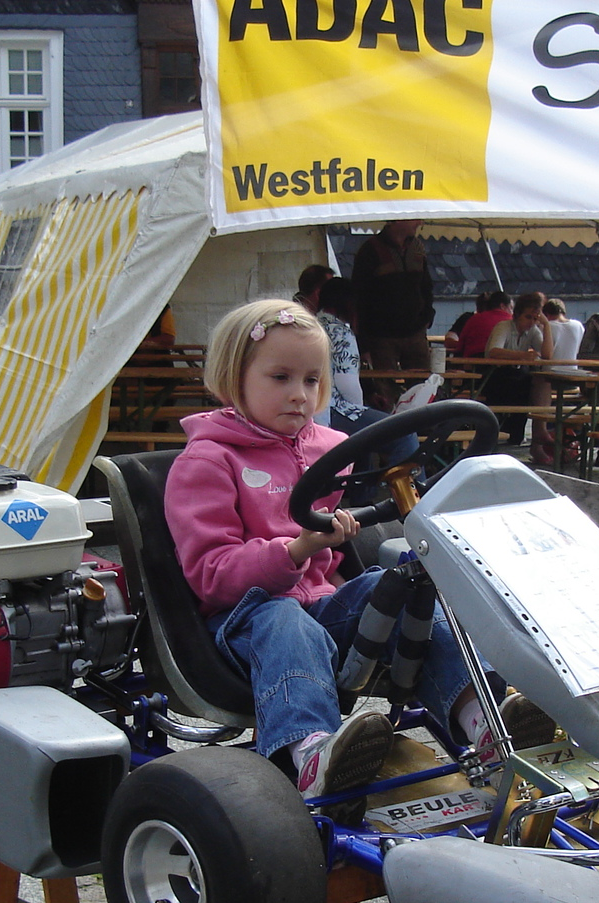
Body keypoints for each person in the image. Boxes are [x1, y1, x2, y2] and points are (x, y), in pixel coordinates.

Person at [163, 299, 552, 812]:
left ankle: (482, 718)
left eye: (311, 380)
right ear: (235, 378)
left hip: (320, 608)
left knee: (403, 583)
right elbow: (211, 576)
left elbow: (340, 564)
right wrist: (296, 550)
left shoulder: (328, 448)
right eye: (280, 378)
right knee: (285, 618)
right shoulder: (207, 461)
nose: (300, 395)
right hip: (243, 621)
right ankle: (311, 752)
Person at [315, 278, 419, 489]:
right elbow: (348, 385)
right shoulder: (341, 332)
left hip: (315, 408)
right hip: (334, 409)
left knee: (363, 441)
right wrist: (362, 410)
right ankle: (410, 497)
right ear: (349, 303)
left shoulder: (313, 324)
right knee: (404, 434)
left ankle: (363, 496)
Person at [352, 219, 434, 369]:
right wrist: (364, 343)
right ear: (397, 219)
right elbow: (360, 297)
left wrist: (427, 315)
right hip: (382, 336)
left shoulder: (417, 247)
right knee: (385, 381)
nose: (420, 223)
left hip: (415, 331)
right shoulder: (370, 250)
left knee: (423, 381)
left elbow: (426, 286)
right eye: (414, 218)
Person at [484, 293, 549, 447]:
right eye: (528, 317)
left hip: (517, 376)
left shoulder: (533, 330)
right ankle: (531, 434)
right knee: (523, 385)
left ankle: (530, 433)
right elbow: (494, 351)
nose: (531, 322)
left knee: (537, 383)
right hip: (495, 374)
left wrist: (547, 326)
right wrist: (522, 355)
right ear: (518, 314)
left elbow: (547, 355)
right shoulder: (504, 326)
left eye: (535, 318)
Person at [533, 298, 587, 462]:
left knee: (536, 387)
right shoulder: (578, 325)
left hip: (551, 379)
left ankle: (538, 438)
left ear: (546, 314)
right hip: (573, 378)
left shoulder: (547, 327)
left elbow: (542, 353)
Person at [456, 291, 512, 358]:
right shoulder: (511, 321)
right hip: (501, 360)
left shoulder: (474, 319)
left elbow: (460, 347)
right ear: (502, 306)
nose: (512, 311)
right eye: (511, 308)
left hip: (473, 360)